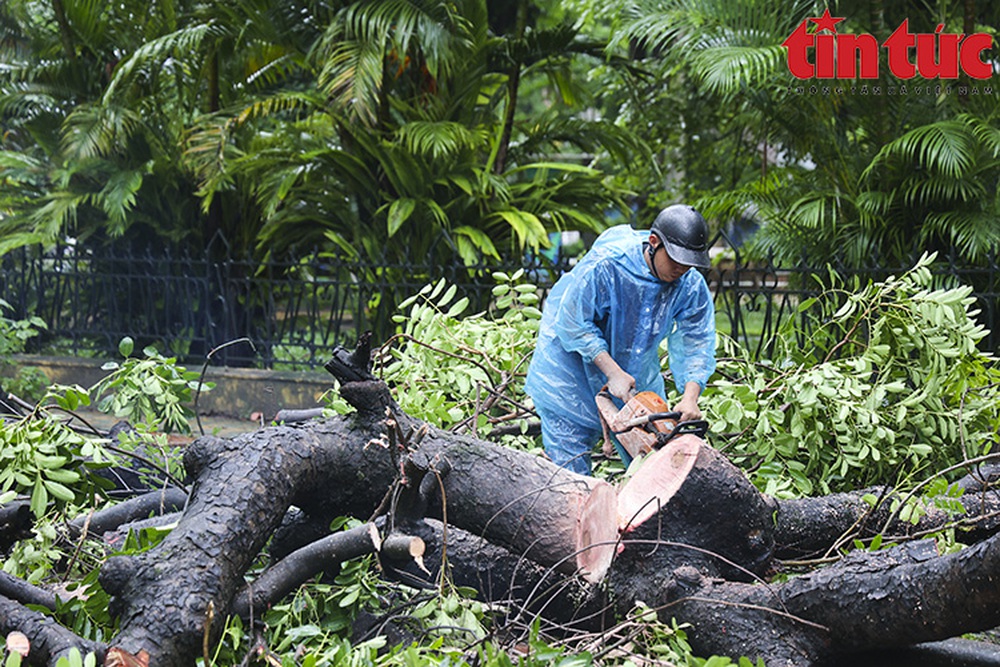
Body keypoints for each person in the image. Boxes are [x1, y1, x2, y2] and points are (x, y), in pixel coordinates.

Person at [524, 204, 717, 475]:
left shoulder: (689, 284)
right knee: (571, 480)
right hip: (569, 382)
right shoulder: (607, 266)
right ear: (653, 243)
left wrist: (690, 397)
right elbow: (572, 322)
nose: (681, 270)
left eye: (688, 264)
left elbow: (697, 339)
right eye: (675, 261)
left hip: (636, 384)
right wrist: (612, 372)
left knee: (656, 470)